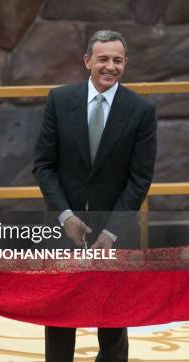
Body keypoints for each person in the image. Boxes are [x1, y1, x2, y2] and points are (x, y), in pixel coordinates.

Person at [33, 30, 157, 361]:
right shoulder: (59, 101)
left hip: (116, 231)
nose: (110, 66)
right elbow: (44, 166)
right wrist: (66, 217)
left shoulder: (141, 110)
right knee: (59, 319)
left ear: (126, 64)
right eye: (103, 59)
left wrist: (112, 230)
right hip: (63, 228)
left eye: (117, 60)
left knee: (114, 323)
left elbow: (140, 177)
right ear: (88, 61)